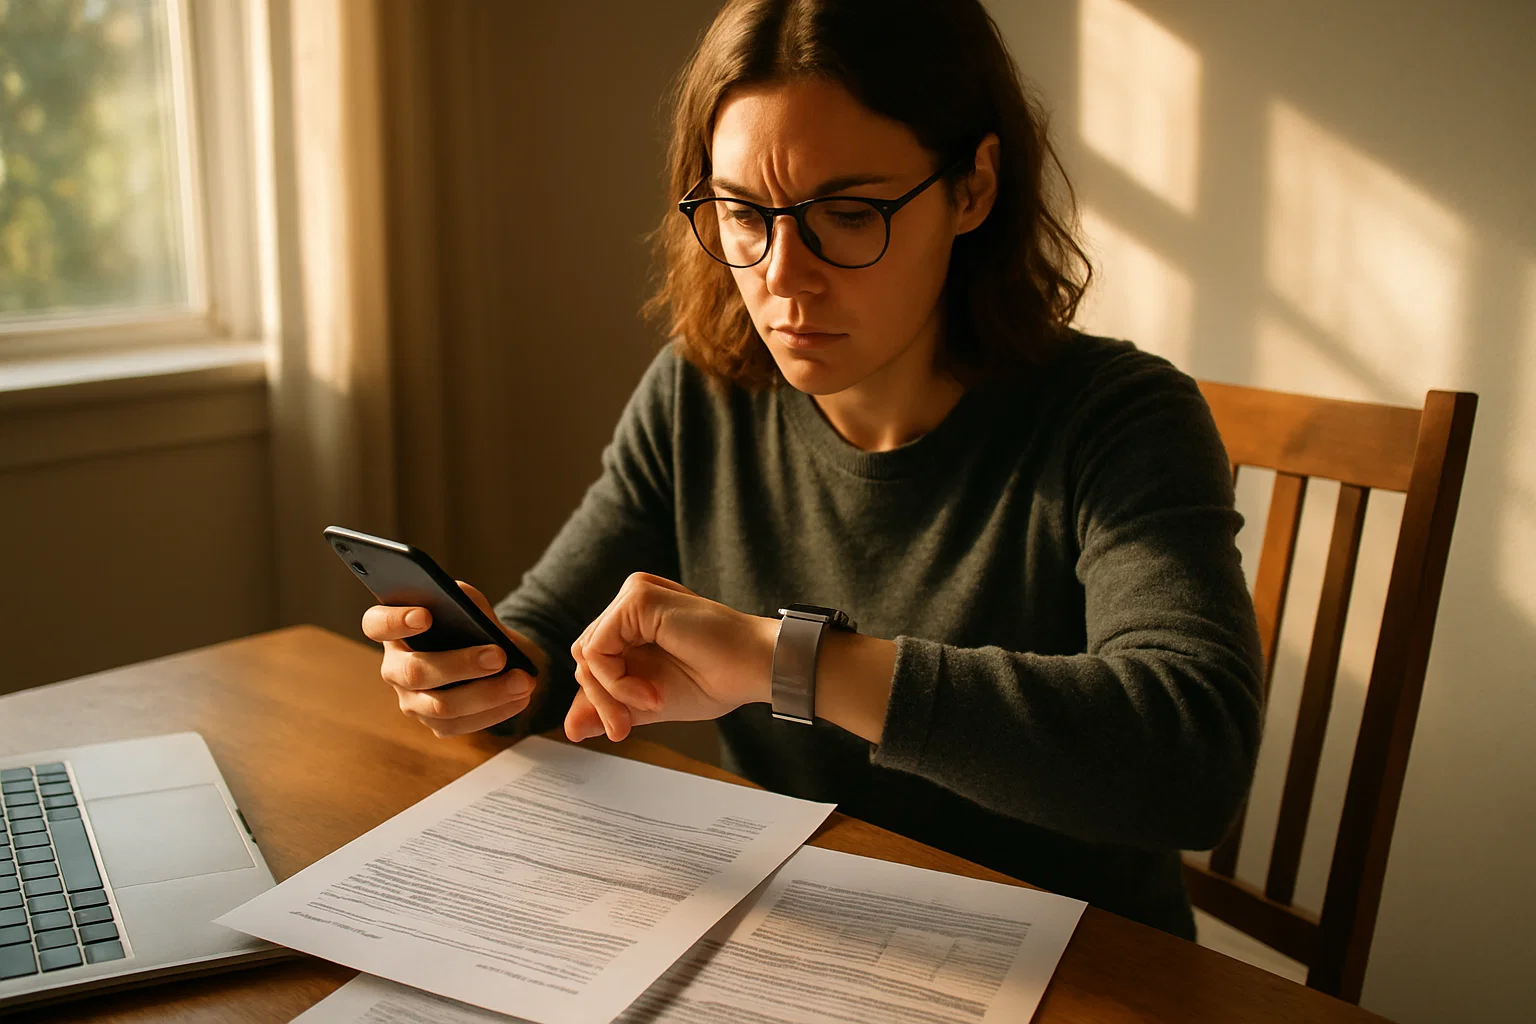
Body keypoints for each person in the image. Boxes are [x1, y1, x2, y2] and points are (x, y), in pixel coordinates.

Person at [362, 0, 1263, 940]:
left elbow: (1193, 764)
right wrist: (486, 674)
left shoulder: (1120, 418)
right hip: (799, 933)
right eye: (742, 215)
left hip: (1081, 963)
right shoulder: (701, 393)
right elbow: (553, 632)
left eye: (849, 214)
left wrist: (784, 661)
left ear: (973, 188)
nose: (783, 275)